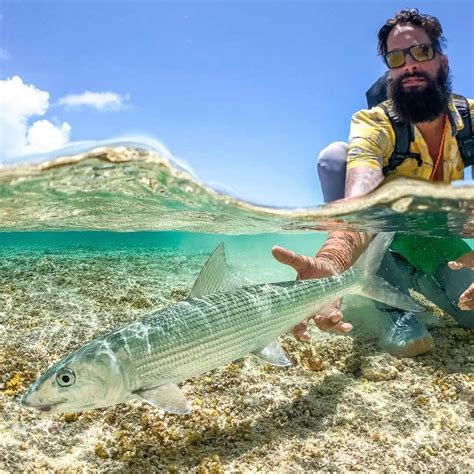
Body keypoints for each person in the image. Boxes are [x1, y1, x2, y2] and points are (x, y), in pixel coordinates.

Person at [272, 8, 473, 357]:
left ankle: (412, 276)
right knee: (335, 157)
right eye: (396, 57)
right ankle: (395, 308)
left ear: (442, 59)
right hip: (380, 228)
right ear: (391, 72)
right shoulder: (373, 124)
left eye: (421, 52)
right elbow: (360, 197)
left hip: (432, 233)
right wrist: (333, 262)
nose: (409, 64)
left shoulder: (468, 119)